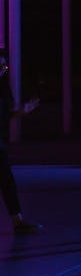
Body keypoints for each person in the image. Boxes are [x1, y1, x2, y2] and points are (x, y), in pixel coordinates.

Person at [0, 50, 42, 234]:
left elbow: (4, 115)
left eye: (4, 66)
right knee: (6, 179)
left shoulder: (2, 87)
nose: (3, 69)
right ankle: (17, 221)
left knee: (6, 180)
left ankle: (18, 221)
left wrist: (22, 112)